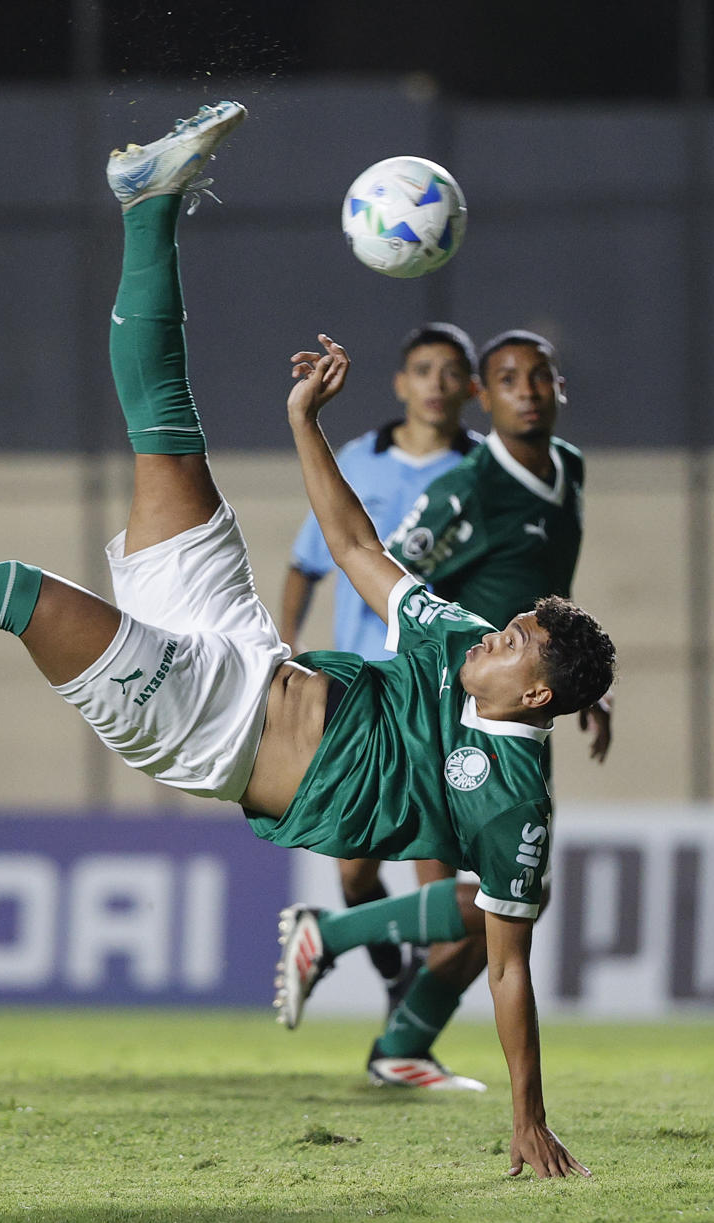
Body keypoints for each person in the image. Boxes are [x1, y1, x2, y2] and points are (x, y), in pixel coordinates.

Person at [0, 101, 613, 1178]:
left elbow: (509, 968)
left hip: (204, 726)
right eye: (514, 619)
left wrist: (525, 1115)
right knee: (168, 420)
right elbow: (358, 546)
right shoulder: (458, 641)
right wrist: (303, 424)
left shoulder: (513, 798)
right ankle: (150, 203)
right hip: (244, 651)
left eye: (517, 637)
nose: (498, 627)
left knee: (14, 589)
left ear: (530, 698)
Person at [284, 328, 613, 1093]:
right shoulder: (467, 488)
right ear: (483, 396)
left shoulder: (568, 468)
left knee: (506, 895)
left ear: (559, 388)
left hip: (524, 705)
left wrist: (583, 687)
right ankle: (379, 1007)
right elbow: (376, 558)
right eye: (507, 379)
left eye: (540, 377)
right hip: (455, 705)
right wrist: (399, 687)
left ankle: (393, 1031)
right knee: (482, 896)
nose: (527, 391)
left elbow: (551, 600)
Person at [277, 323, 478, 1013]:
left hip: (438, 694)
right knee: (355, 870)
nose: (437, 384)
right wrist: (283, 640)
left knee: (438, 872)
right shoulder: (357, 461)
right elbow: (308, 563)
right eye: (424, 369)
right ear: (401, 383)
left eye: (452, 372)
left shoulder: (483, 475)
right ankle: (392, 971)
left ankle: (407, 1032)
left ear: (469, 389)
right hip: (361, 697)